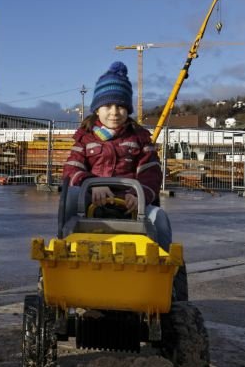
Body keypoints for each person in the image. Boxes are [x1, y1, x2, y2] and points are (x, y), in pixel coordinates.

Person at [61, 61, 171, 250]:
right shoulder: (85, 137)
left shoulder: (140, 138)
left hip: (130, 202)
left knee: (159, 218)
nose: (114, 112)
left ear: (128, 109)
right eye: (107, 106)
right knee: (70, 197)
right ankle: (64, 247)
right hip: (91, 199)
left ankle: (164, 262)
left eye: (120, 106)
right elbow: (72, 169)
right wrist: (92, 184)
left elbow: (151, 173)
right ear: (97, 109)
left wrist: (138, 196)